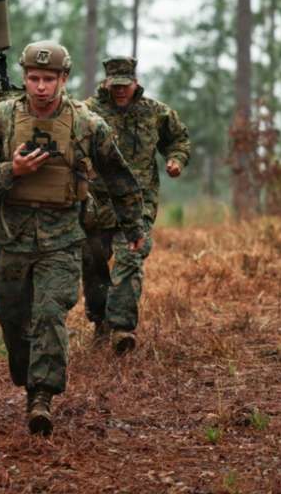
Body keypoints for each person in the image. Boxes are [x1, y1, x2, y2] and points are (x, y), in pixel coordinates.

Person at [0, 41, 145, 435]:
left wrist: (133, 226)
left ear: (64, 79)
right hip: (10, 237)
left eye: (49, 79)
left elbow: (118, 176)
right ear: (25, 78)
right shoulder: (1, 118)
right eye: (33, 79)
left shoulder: (86, 123)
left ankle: (41, 396)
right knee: (11, 317)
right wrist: (11, 170)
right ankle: (27, 374)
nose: (41, 87)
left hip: (62, 238)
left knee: (50, 313)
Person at [80, 56, 192, 353]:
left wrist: (175, 159)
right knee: (92, 263)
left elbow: (179, 140)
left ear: (135, 83)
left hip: (138, 203)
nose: (120, 91)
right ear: (105, 83)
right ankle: (100, 319)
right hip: (96, 203)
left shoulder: (154, 113)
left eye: (125, 85)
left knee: (130, 257)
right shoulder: (87, 112)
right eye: (114, 85)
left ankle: (121, 328)